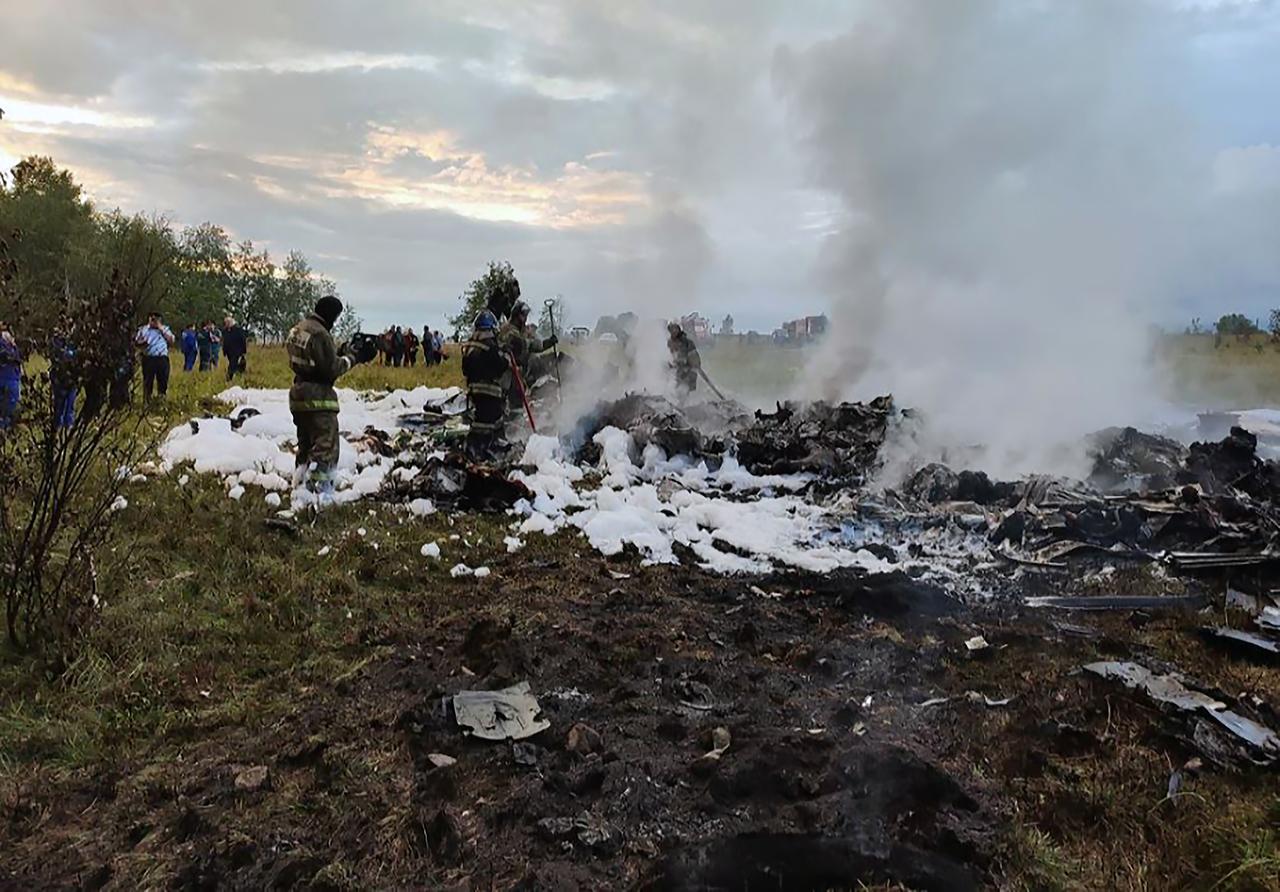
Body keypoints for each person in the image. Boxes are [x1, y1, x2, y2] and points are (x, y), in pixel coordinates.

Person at [286, 296, 366, 497]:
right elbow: (331, 369)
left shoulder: (298, 329)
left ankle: (299, 487)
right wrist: (353, 358)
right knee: (325, 446)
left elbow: (313, 359)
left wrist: (337, 352)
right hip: (318, 399)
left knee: (305, 445)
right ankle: (318, 493)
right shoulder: (321, 334)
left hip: (298, 396)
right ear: (332, 314)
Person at [462, 310, 510, 460]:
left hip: (474, 391)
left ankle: (477, 447)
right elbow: (500, 366)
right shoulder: (490, 345)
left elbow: (465, 370)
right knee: (489, 422)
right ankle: (483, 448)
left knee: (480, 419)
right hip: (490, 391)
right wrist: (506, 357)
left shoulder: (469, 345)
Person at [499, 301, 557, 410]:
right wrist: (543, 343)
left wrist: (548, 342)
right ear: (517, 316)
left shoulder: (521, 331)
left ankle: (514, 424)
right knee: (506, 407)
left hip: (517, 377)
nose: (525, 319)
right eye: (523, 316)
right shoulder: (509, 331)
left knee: (516, 408)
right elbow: (525, 345)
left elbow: (533, 345)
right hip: (507, 376)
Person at [134, 312, 174, 400]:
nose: (154, 322)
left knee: (163, 381)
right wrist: (143, 342)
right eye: (152, 319)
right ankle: (147, 401)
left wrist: (161, 328)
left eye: (156, 319)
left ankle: (161, 399)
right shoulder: (143, 329)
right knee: (148, 382)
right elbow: (137, 342)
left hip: (162, 358)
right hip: (149, 358)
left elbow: (171, 341)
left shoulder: (165, 329)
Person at [667, 322, 701, 398]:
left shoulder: (687, 343)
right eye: (671, 330)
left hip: (688, 373)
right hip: (677, 373)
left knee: (682, 392)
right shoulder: (669, 343)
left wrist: (681, 362)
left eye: (675, 329)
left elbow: (695, 361)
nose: (673, 332)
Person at [0, 321, 21, 431]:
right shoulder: (9, 345)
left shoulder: (11, 345)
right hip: (9, 379)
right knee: (8, 409)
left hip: (10, 378)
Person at [222, 315, 248, 381]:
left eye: (227, 322)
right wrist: (224, 351)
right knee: (234, 365)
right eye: (225, 322)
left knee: (233, 365)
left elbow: (243, 340)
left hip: (237, 352)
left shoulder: (238, 330)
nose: (226, 324)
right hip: (229, 352)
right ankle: (234, 377)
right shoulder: (225, 331)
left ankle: (229, 378)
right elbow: (225, 341)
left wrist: (244, 351)